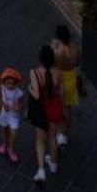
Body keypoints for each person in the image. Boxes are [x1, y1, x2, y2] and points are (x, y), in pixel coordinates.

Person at [26, 42, 63, 182]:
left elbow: (36, 95)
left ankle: (41, 170)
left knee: (40, 140)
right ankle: (53, 164)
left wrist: (30, 88)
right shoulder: (57, 71)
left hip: (41, 110)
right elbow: (60, 91)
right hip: (54, 107)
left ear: (40, 59)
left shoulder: (35, 73)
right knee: (53, 136)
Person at [53, 24, 82, 146]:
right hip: (71, 79)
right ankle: (65, 133)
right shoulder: (75, 50)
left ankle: (59, 134)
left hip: (62, 80)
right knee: (68, 109)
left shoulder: (59, 52)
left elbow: (56, 69)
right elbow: (76, 64)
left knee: (60, 109)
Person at [0, 68, 26, 164]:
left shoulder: (19, 92)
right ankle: (4, 144)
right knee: (4, 129)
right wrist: (4, 105)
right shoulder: (1, 89)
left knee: (14, 132)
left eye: (13, 83)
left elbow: (22, 103)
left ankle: (10, 148)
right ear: (4, 82)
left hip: (13, 115)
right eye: (8, 83)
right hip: (3, 113)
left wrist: (18, 107)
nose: (11, 85)